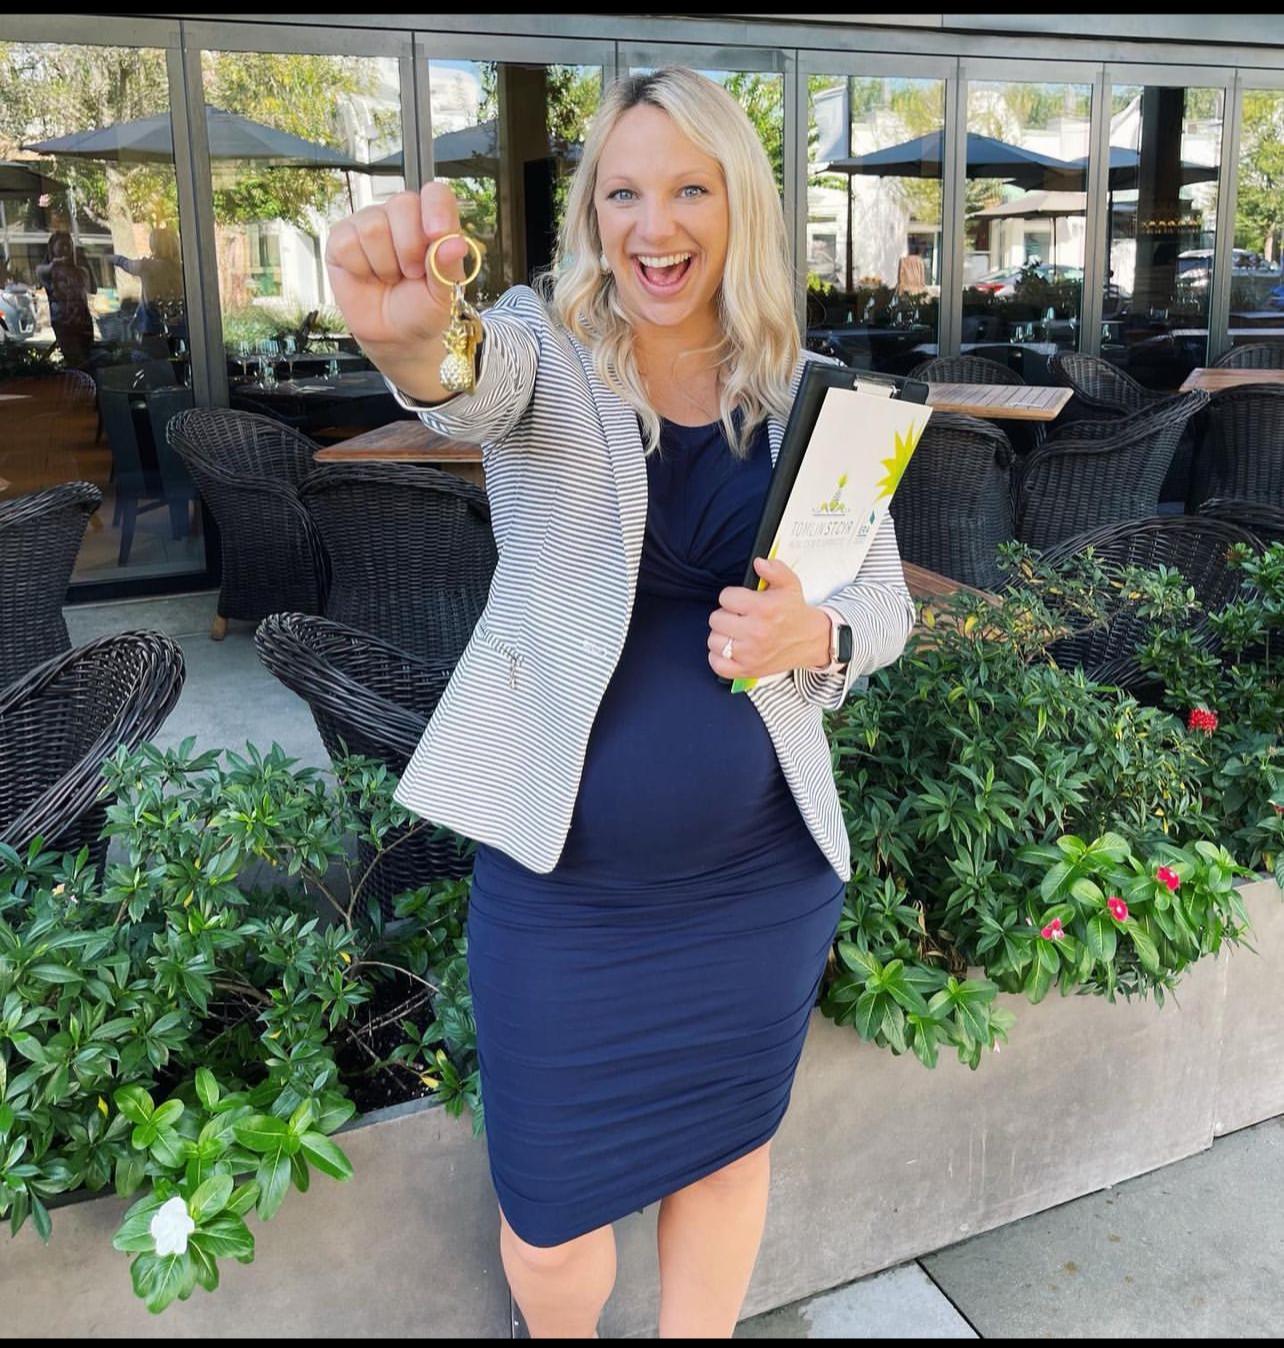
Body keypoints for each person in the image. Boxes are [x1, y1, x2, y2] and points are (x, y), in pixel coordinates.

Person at [325, 66, 914, 1339]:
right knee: (548, 1221)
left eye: (689, 189)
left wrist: (818, 632)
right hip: (569, 890)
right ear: (592, 211)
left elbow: (886, 603)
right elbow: (469, 378)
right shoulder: (546, 345)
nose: (655, 226)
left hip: (759, 882)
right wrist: (413, 343)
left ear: (739, 204)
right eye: (623, 193)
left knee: (727, 1161)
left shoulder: (820, 392)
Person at [111, 226, 184, 342]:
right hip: (180, 331)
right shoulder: (182, 269)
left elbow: (126, 264)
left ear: (154, 246)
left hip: (152, 332)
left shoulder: (148, 266)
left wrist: (111, 258)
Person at [35, 230, 95, 368]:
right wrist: (56, 264)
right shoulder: (49, 270)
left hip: (83, 321)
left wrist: (82, 263)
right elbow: (40, 272)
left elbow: (92, 288)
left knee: (86, 357)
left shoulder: (79, 269)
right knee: (75, 360)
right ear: (52, 248)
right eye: (61, 245)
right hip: (63, 323)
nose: (65, 249)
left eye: (68, 246)